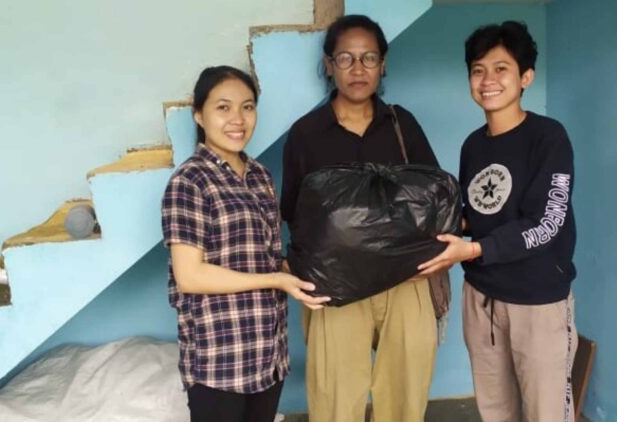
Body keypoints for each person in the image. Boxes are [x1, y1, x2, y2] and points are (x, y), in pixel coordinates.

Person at [281, 15, 441, 422]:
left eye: (369, 58)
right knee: (336, 399)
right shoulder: (306, 134)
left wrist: (436, 256)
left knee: (405, 394)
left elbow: (433, 197)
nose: (357, 69)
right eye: (346, 58)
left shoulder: (402, 124)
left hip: (405, 281)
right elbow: (294, 212)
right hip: (335, 286)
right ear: (329, 64)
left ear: (382, 64)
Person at [418, 21, 578, 422]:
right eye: (478, 70)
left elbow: (548, 222)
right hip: (483, 298)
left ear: (526, 77)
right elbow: (478, 215)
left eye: (501, 68)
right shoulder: (473, 145)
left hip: (538, 300)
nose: (487, 80)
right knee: (495, 410)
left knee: (546, 412)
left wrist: (473, 249)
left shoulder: (548, 137)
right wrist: (441, 231)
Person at [161, 65, 329, 422]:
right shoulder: (190, 181)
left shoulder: (260, 176)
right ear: (199, 115)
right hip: (220, 360)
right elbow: (190, 276)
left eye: (247, 107)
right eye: (223, 107)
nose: (238, 119)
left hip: (268, 352)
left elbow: (266, 257)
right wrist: (275, 280)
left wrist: (303, 275)